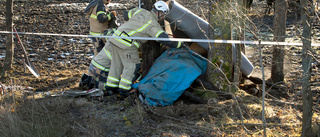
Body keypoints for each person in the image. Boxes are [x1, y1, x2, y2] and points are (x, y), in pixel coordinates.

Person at [104, 1, 187, 96]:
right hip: (126, 43)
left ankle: (111, 88)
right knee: (133, 66)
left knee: (116, 64)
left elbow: (126, 15)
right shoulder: (153, 24)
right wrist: (179, 44)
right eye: (163, 15)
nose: (162, 18)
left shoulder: (140, 11)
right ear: (159, 12)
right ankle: (124, 90)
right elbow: (162, 39)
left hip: (115, 38)